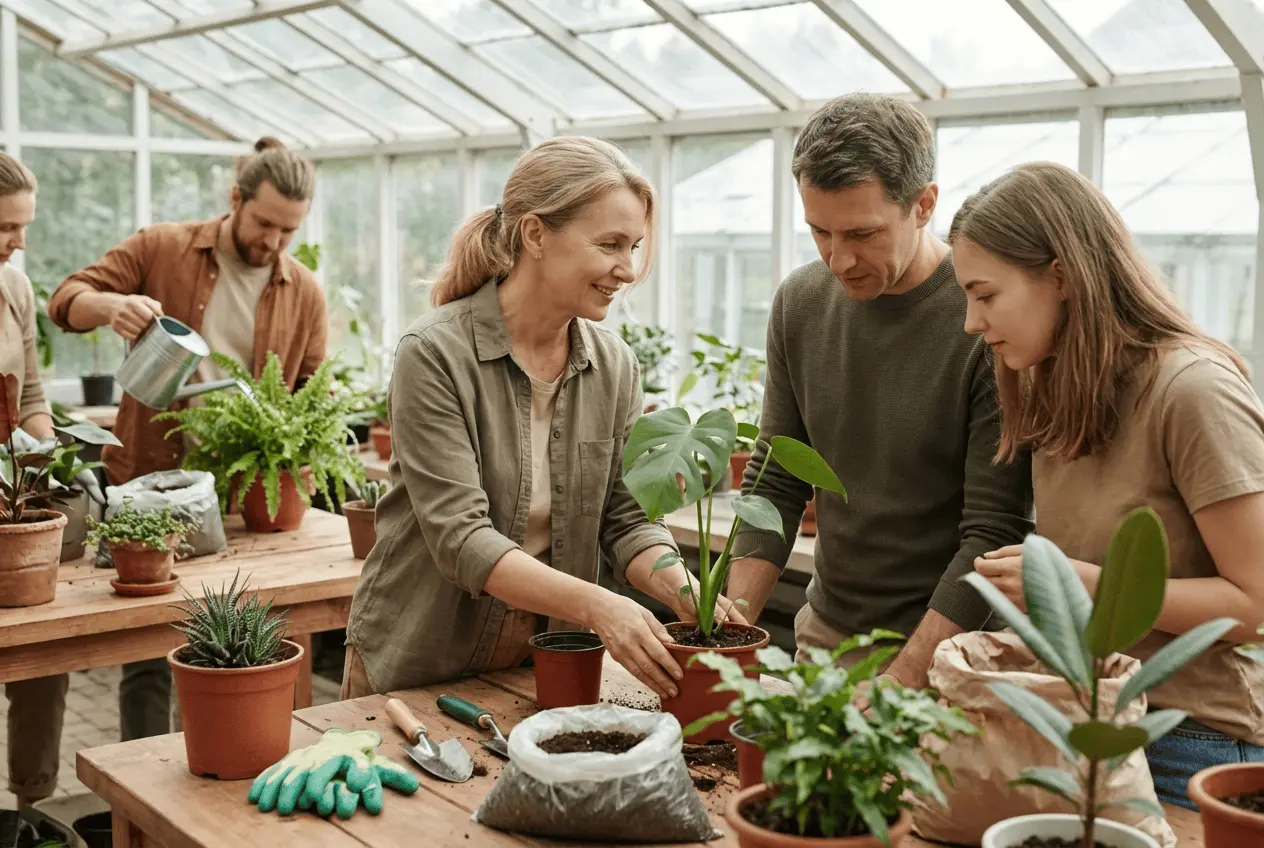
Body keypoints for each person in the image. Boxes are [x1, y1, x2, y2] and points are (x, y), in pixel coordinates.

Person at [343, 136, 743, 699]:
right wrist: (601, 606)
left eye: (633, 247)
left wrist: (683, 590)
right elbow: (462, 539)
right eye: (609, 244)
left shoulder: (614, 366)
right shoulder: (435, 353)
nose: (626, 270)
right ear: (535, 234)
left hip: (547, 665)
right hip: (420, 663)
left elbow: (627, 521)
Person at [951, 161, 1264, 809]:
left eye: (985, 295)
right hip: (1089, 719)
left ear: (1061, 277)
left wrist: (1076, 582)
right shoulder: (1053, 381)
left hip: (1189, 740)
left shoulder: (1193, 390)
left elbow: (1255, 602)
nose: (971, 323)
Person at [723, 93, 1034, 688]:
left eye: (862, 233)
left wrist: (897, 684)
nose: (839, 259)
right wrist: (729, 631)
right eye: (820, 231)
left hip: (957, 655)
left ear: (924, 205)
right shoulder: (800, 302)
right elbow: (777, 477)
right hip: (827, 638)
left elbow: (993, 533)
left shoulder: (988, 323)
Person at [47, 137, 328, 742]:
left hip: (241, 501)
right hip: (150, 488)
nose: (274, 242)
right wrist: (113, 306)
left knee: (242, 653)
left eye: (289, 230)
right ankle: (146, 788)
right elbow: (65, 299)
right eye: (264, 223)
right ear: (234, 199)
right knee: (149, 653)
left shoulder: (302, 289)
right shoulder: (162, 247)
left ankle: (225, 777)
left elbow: (308, 394)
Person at [0, 153, 66, 808]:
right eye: (4, 228)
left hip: (13, 507)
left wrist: (52, 456)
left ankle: (32, 807)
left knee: (42, 663)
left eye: (23, 226)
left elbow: (32, 398)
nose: (19, 241)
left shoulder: (12, 288)